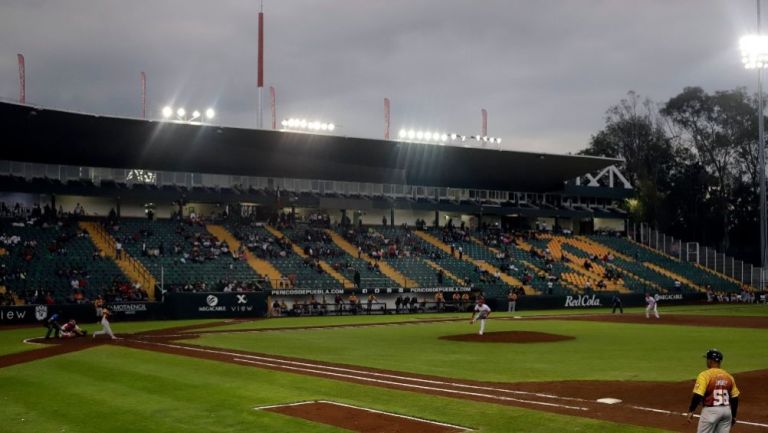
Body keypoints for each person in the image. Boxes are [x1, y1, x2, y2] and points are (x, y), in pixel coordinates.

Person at [686, 349, 740, 433]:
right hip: (726, 412)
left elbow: (698, 395)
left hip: (711, 412)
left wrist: (691, 410)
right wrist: (733, 416)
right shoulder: (728, 376)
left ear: (710, 361)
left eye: (707, 359)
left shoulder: (705, 375)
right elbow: (735, 397)